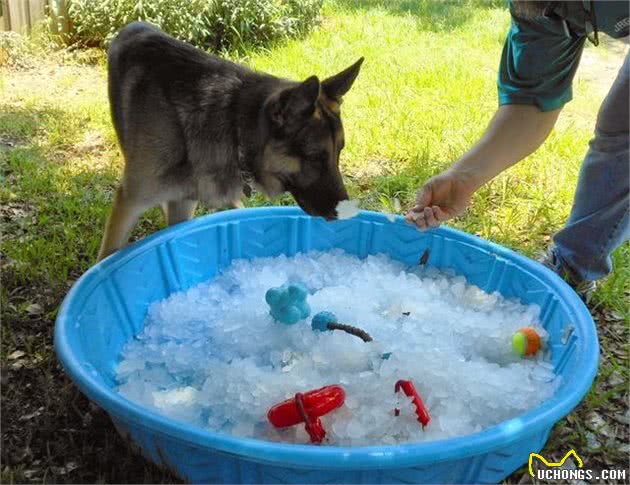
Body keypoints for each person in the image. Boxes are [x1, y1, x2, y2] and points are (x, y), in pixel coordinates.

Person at [406, 0, 629, 302]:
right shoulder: (539, 6)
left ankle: (574, 264)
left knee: (622, 124)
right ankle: (571, 269)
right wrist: (463, 177)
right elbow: (531, 102)